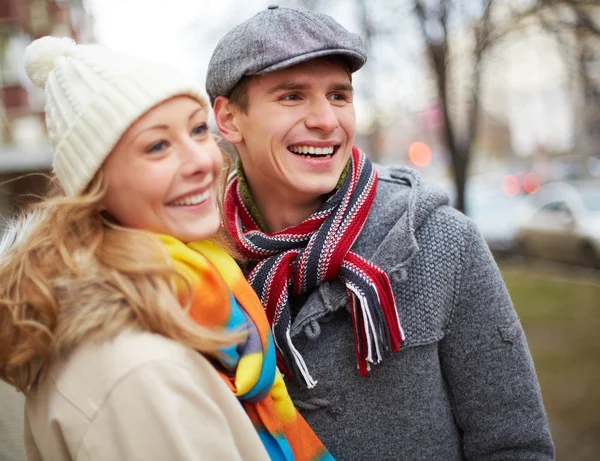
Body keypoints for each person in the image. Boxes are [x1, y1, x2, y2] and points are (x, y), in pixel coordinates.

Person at [207, 5, 555, 461]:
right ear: (230, 119)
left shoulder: (442, 242)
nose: (326, 120)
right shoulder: (202, 267)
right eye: (292, 96)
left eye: (338, 95)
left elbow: (515, 445)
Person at [0, 36, 334, 461]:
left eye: (197, 130)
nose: (203, 160)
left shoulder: (192, 295)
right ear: (95, 188)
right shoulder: (138, 367)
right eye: (157, 145)